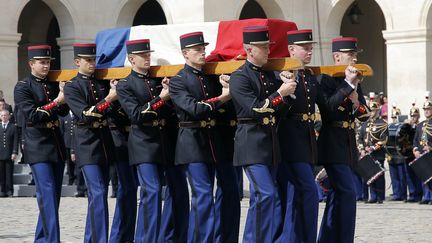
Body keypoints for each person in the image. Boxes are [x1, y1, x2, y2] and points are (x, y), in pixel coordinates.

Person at [169, 31, 240, 243]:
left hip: (215, 141)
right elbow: (193, 109)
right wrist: (223, 97)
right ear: (185, 53)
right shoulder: (178, 80)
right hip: (192, 143)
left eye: (203, 49)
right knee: (203, 197)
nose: (202, 53)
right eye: (197, 50)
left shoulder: (210, 78)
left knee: (229, 193)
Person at [116, 38, 189, 242]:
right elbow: (137, 114)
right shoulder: (125, 85)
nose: (148, 58)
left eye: (149, 54)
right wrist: (162, 99)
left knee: (179, 191)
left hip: (166, 142)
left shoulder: (157, 81)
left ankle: (170, 237)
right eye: (143, 55)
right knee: (152, 191)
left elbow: (169, 112)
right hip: (143, 144)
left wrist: (168, 96)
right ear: (132, 59)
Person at [229, 26, 296, 243]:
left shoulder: (269, 75)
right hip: (251, 144)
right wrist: (280, 93)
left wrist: (289, 93)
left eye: (268, 46)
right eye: (263, 47)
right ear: (249, 50)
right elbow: (255, 109)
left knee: (269, 198)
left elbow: (280, 109)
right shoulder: (239, 77)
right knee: (266, 194)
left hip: (270, 143)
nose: (268, 50)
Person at [64, 43, 119, 242]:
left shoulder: (100, 83)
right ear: (77, 62)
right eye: (88, 60)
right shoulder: (72, 86)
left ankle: (92, 238)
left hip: (104, 143)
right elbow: (86, 115)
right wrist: (109, 99)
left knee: (99, 195)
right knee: (98, 192)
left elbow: (110, 112)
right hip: (87, 145)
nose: (92, 64)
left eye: (94, 60)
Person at [316, 37, 369, 243]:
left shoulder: (355, 80)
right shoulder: (326, 79)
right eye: (350, 55)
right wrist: (347, 85)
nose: (354, 59)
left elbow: (364, 115)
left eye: (355, 55)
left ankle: (328, 239)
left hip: (348, 144)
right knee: (348, 192)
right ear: (337, 56)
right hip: (332, 142)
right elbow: (328, 109)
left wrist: (356, 100)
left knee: (338, 195)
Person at [14, 45, 68, 242]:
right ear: (31, 64)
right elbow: (33, 115)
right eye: (42, 62)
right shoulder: (23, 86)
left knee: (53, 197)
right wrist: (57, 102)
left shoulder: (52, 84)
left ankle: (42, 239)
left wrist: (64, 96)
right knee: (46, 194)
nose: (46, 66)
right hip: (37, 146)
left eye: (48, 62)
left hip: (56, 145)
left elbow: (62, 112)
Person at [276, 29, 323, 243]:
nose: (309, 51)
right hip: (289, 140)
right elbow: (278, 109)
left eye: (311, 47)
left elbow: (326, 105)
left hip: (307, 141)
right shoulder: (282, 74)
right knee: (308, 191)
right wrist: (286, 86)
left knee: (296, 193)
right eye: (305, 48)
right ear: (291, 49)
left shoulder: (309, 76)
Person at [358, 97, 388, 204]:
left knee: (378, 176)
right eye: (370, 110)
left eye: (373, 110)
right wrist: (362, 148)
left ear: (377, 110)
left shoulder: (382, 123)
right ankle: (373, 196)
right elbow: (360, 137)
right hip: (366, 154)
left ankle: (380, 196)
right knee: (369, 175)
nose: (371, 113)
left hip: (377, 153)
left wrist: (372, 148)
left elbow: (383, 139)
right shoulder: (365, 124)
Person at [413, 96, 432, 204]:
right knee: (423, 176)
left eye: (428, 109)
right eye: (425, 110)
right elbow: (415, 140)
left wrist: (430, 147)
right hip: (421, 154)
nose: (426, 111)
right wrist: (415, 150)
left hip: (430, 154)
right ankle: (426, 196)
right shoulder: (420, 125)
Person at [405, 103, 423, 202]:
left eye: (415, 116)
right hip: (408, 153)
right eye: (412, 116)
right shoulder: (407, 126)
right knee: (409, 175)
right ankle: (412, 194)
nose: (413, 118)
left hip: (417, 153)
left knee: (418, 175)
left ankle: (419, 194)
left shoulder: (420, 125)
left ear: (418, 116)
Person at [0, 109, 18, 197]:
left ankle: (9, 191)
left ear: (9, 116)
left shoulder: (13, 127)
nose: (4, 117)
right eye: (2, 115)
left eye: (5, 115)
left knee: (9, 174)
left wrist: (14, 152)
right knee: (1, 174)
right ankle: (2, 191)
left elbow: (15, 141)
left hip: (9, 154)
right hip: (0, 154)